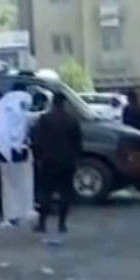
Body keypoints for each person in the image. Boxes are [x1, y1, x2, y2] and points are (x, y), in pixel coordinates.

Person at [32, 93, 82, 233]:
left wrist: (38, 158)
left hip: (48, 161)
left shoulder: (44, 119)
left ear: (52, 102)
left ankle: (42, 224)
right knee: (65, 193)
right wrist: (76, 159)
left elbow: (36, 141)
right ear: (64, 103)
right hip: (67, 161)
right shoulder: (72, 120)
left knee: (45, 192)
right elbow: (78, 143)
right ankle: (62, 224)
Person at [0, 84, 34, 229]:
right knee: (23, 184)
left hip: (6, 153)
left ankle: (11, 216)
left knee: (9, 186)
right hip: (20, 153)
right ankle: (22, 212)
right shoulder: (23, 112)